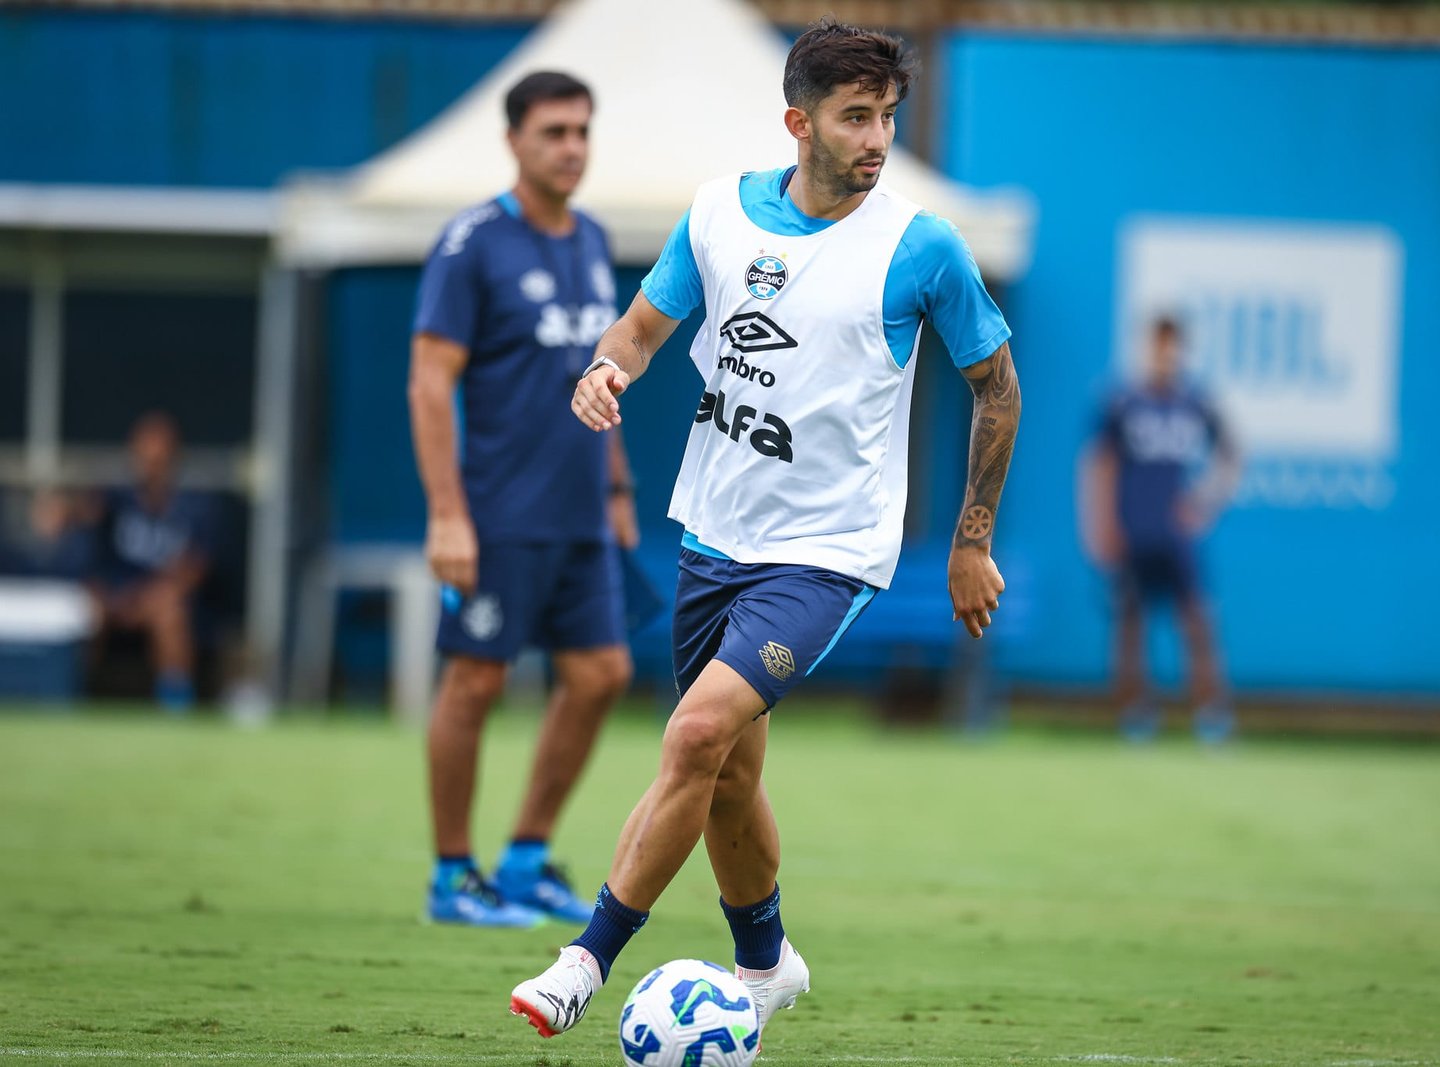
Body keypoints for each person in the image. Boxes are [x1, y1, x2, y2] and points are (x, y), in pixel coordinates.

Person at [506, 18, 1021, 1044]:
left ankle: (584, 959)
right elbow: (639, 329)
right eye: (855, 117)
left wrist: (971, 539)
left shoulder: (921, 246)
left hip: (827, 554)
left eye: (888, 116)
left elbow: (996, 388)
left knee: (695, 733)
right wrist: (605, 369)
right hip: (714, 535)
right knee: (729, 775)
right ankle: (766, 962)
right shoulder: (717, 215)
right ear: (799, 122)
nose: (877, 139)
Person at [408, 70, 635, 929]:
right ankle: (452, 875)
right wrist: (446, 512)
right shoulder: (472, 242)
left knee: (602, 674)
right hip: (498, 511)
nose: (572, 147)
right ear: (513, 141)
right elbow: (430, 383)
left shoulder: (593, 238)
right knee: (475, 681)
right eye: (553, 132)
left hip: (582, 510)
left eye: (582, 130)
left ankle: (526, 860)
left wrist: (618, 485)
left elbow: (603, 374)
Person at [1080, 314, 1240, 743]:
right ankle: (1135, 715)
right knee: (1130, 624)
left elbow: (1231, 454)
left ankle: (1211, 714)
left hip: (1176, 536)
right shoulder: (1121, 402)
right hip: (1132, 531)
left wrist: (1205, 501)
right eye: (1158, 345)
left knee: (1197, 621)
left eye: (1173, 345)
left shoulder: (1196, 402)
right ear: (1147, 347)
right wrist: (1100, 524)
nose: (1166, 355)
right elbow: (1099, 464)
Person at [88, 412, 214, 712]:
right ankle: (73, 695)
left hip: (161, 599)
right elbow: (88, 544)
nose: (151, 465)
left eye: (159, 458)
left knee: (168, 608)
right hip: (118, 597)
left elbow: (196, 567)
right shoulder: (115, 498)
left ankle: (175, 704)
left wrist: (148, 598)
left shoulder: (196, 503)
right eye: (145, 456)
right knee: (84, 608)